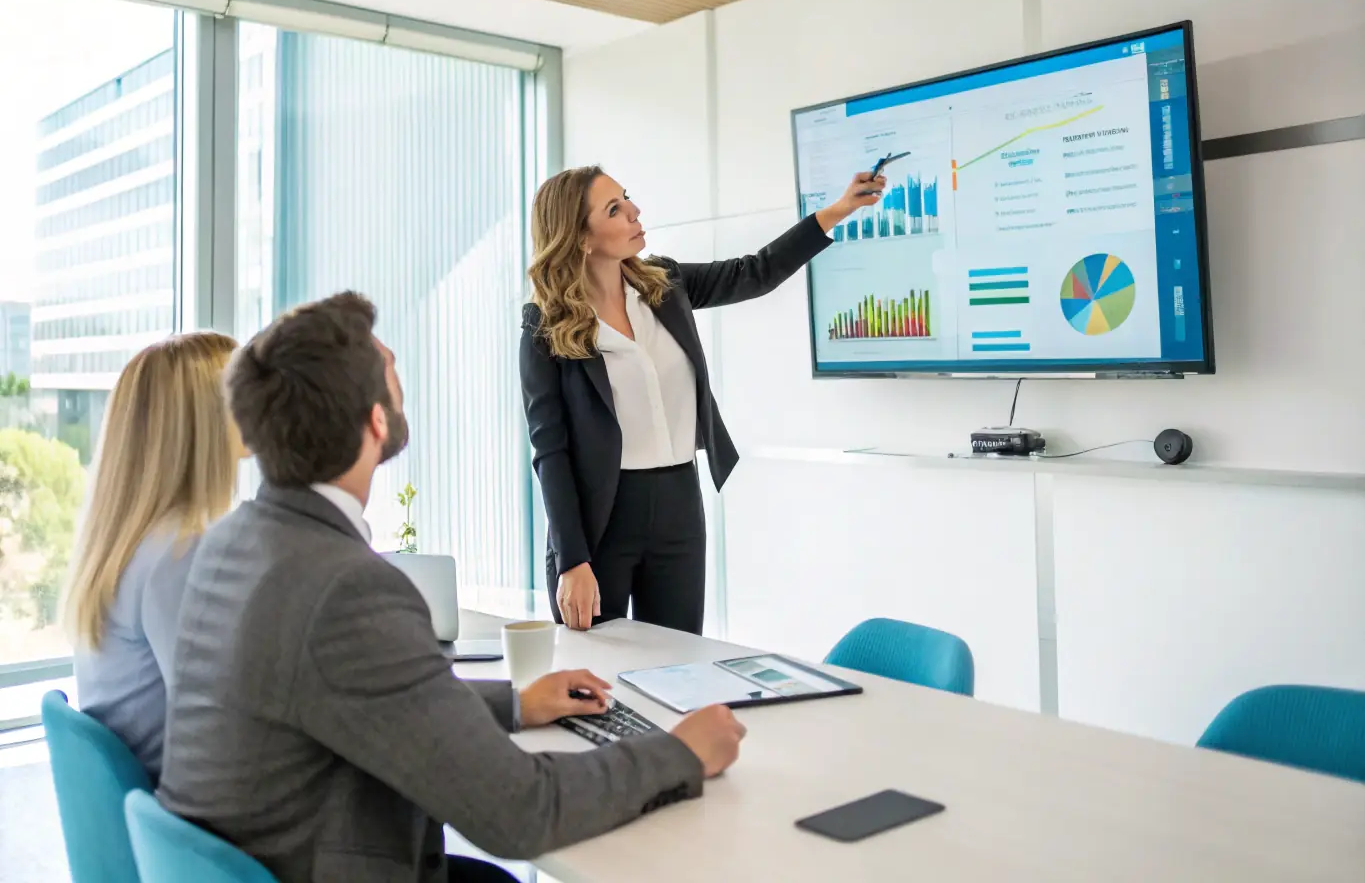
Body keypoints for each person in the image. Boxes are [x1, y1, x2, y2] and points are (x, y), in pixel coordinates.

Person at [156, 291, 746, 883]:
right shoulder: (346, 588)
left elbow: (368, 695)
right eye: (390, 367)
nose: (399, 375)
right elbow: (520, 810)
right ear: (376, 420)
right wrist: (680, 754)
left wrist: (516, 704)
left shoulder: (234, 543)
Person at [521, 166, 883, 634]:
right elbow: (549, 450)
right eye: (614, 209)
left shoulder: (663, 284)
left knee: (677, 659)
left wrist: (837, 211)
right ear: (581, 238)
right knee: (598, 666)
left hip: (678, 505)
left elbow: (756, 272)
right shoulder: (545, 325)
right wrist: (572, 560)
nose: (634, 211)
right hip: (600, 518)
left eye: (627, 197)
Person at [65, 331, 244, 781]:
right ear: (205, 420)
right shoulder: (181, 550)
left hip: (146, 803)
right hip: (182, 806)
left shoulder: (133, 540)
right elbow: (219, 723)